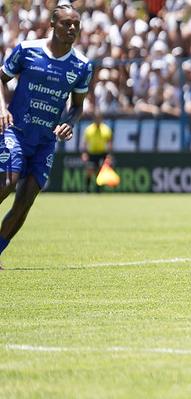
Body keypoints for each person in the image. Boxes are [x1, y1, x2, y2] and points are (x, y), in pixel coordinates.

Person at [0, 4, 92, 263]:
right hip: (16, 132)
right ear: (52, 24)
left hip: (45, 142)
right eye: (66, 23)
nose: (72, 28)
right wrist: (1, 109)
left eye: (76, 24)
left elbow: (77, 106)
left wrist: (70, 123)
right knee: (7, 182)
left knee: (25, 202)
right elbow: (1, 78)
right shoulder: (28, 50)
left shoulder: (83, 66)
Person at [81, 112, 112, 193]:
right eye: (96, 118)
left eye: (99, 118)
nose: (97, 120)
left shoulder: (106, 129)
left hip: (102, 153)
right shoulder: (89, 129)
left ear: (101, 119)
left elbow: (109, 143)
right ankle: (87, 189)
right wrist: (84, 153)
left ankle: (99, 190)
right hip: (92, 153)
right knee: (89, 171)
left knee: (100, 172)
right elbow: (85, 142)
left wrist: (108, 155)